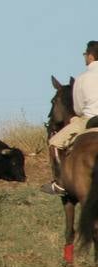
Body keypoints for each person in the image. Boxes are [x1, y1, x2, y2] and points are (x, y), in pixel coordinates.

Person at [43, 40, 98, 195]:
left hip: (90, 119)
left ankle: (59, 183)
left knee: (54, 143)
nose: (84, 57)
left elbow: (78, 108)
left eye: (85, 54)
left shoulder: (82, 78)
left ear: (90, 56)